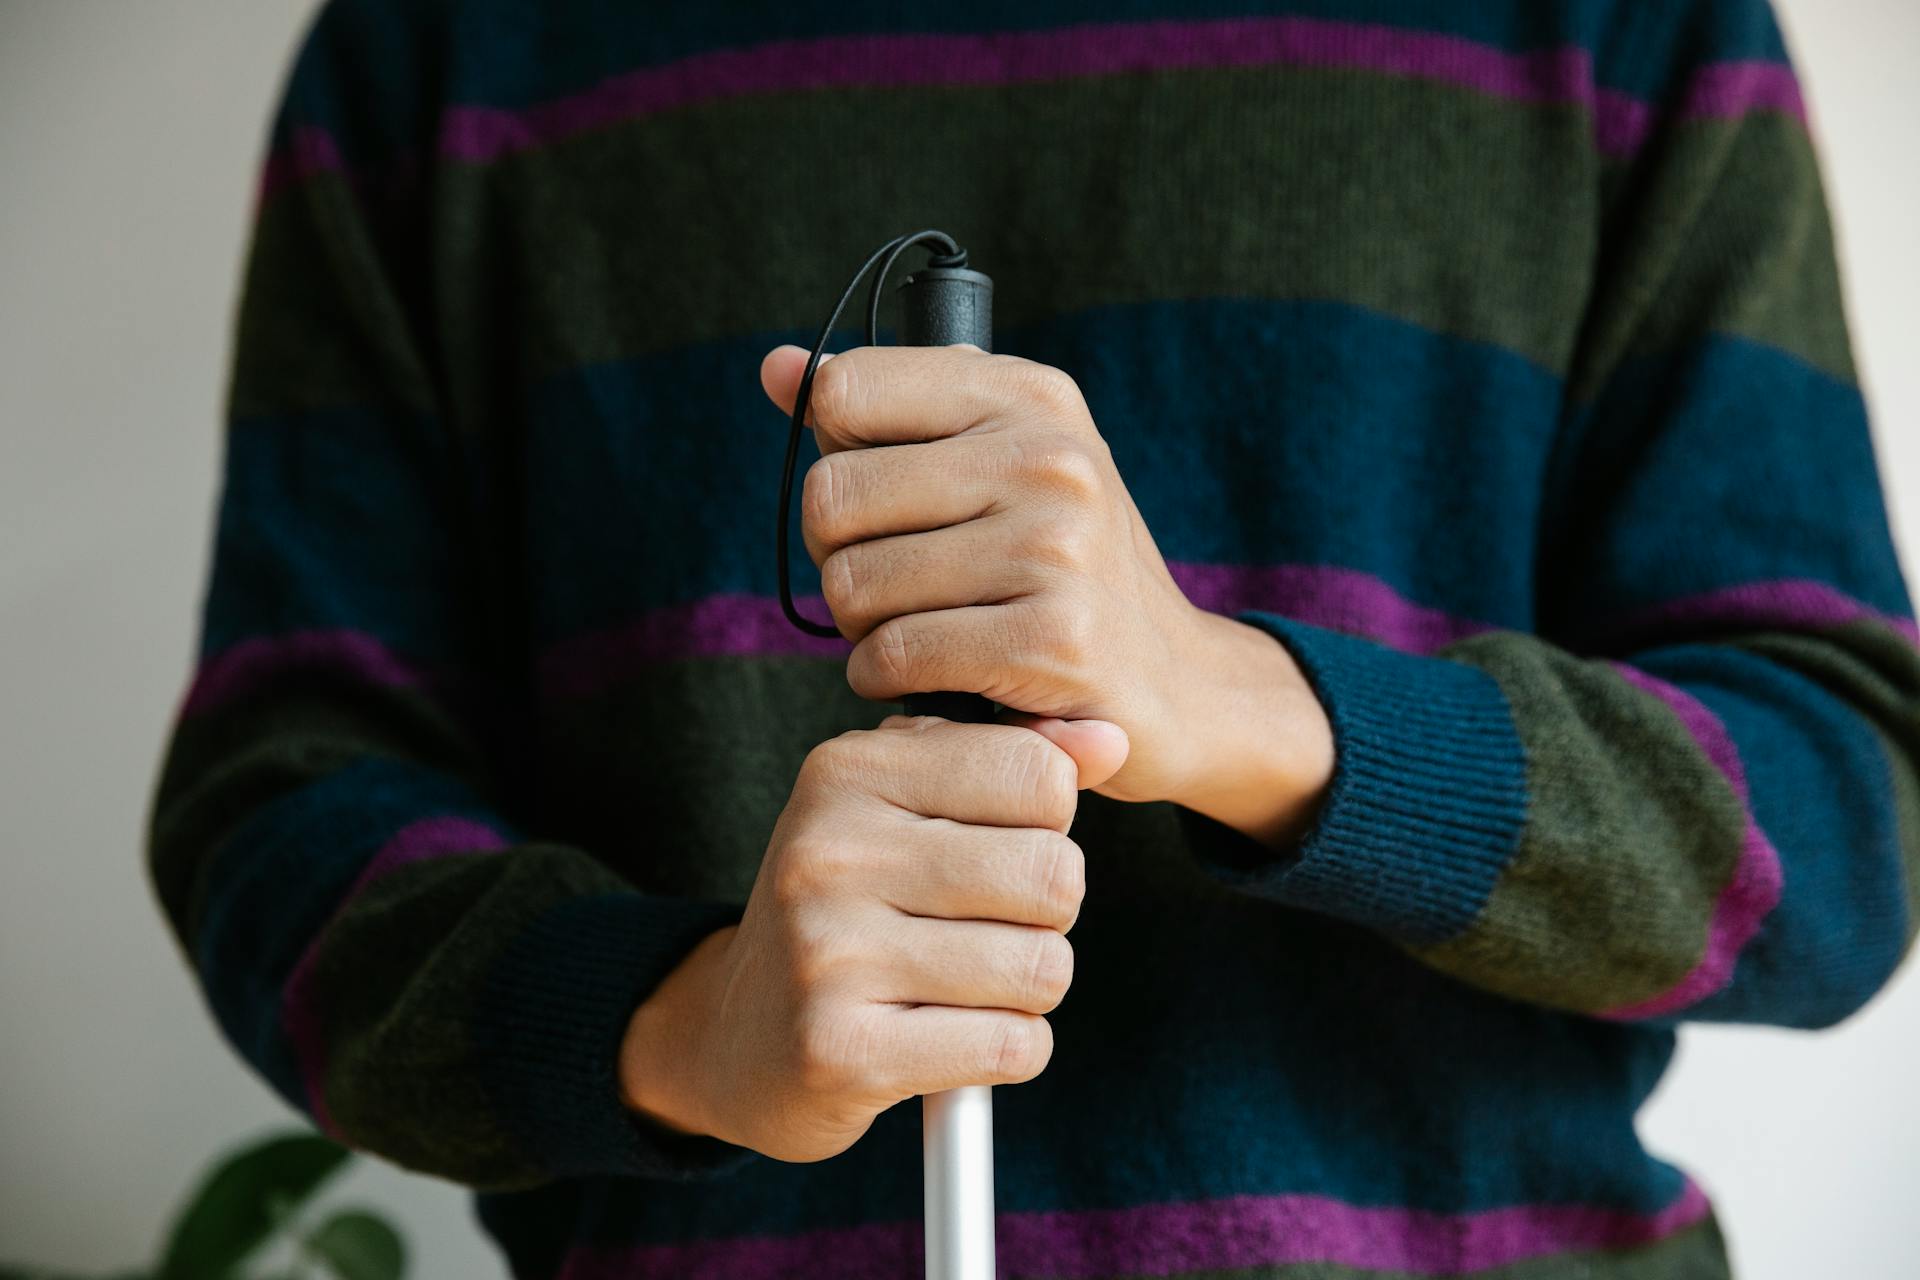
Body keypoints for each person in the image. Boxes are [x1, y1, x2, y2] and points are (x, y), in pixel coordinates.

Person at [148, 0, 1920, 1276]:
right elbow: (280, 815)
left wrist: (1235, 704)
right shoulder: (435, 52)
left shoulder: (1624, 24)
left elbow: (1844, 822)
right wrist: (691, 1027)